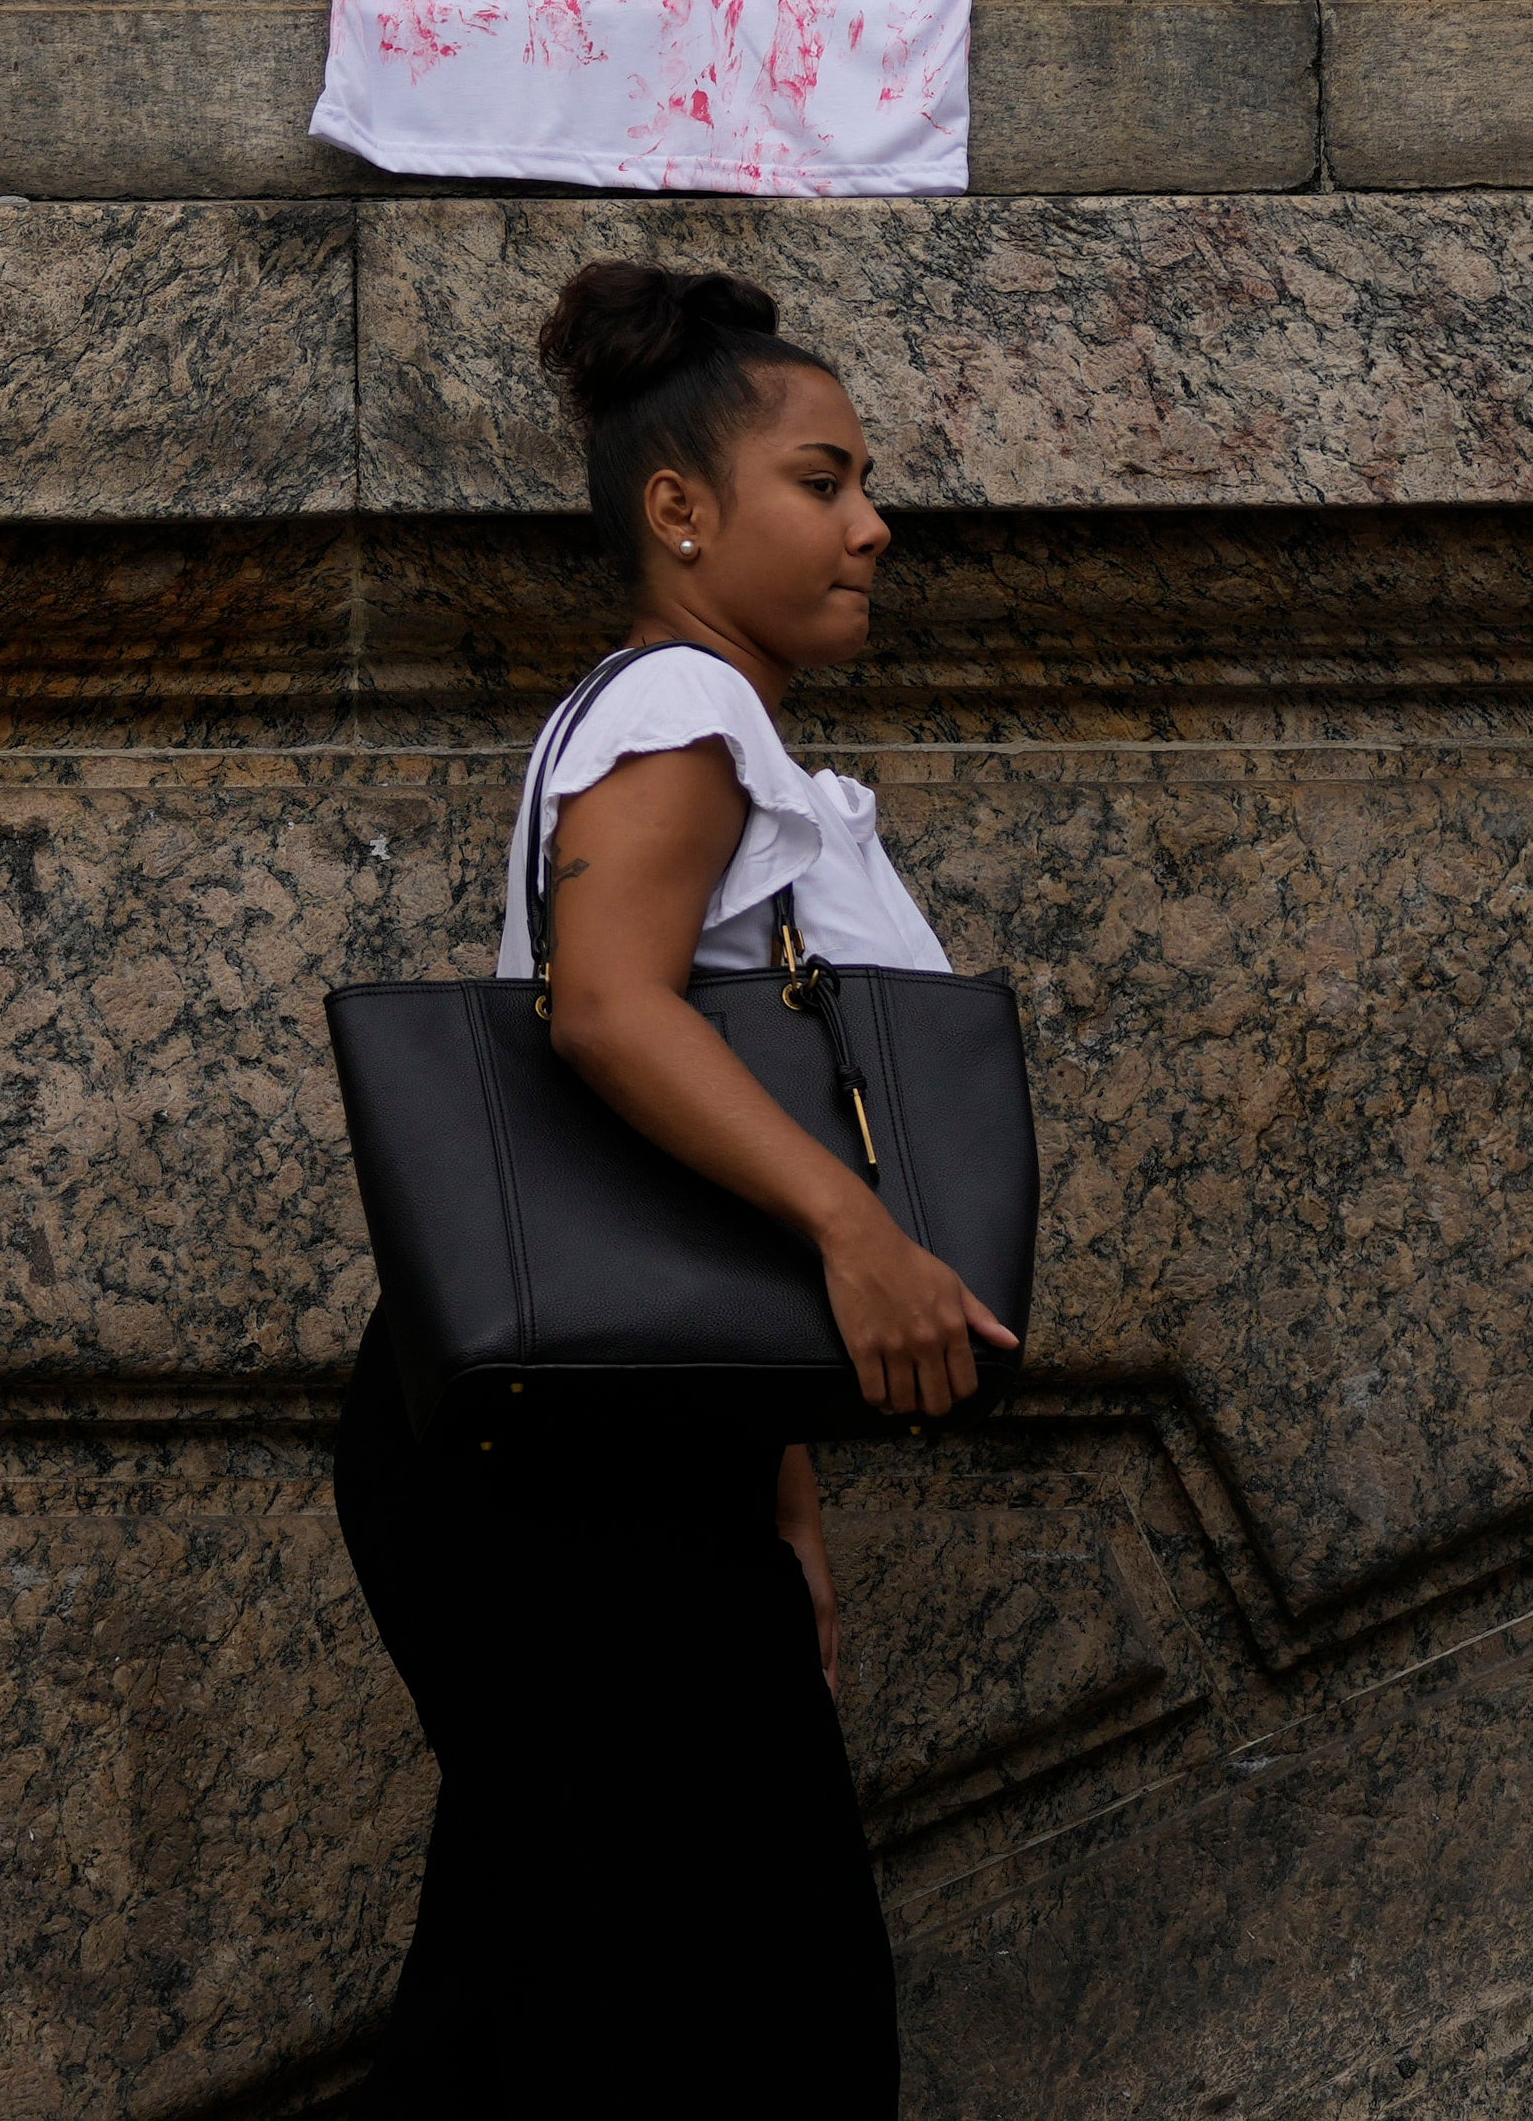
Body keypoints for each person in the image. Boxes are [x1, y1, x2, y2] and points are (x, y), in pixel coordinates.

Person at [333, 260, 1013, 2115]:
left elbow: (659, 1180)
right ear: (681, 509)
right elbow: (616, 1018)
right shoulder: (684, 714)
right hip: (570, 1471)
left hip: (593, 1443)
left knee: (559, 1977)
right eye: (826, 478)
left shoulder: (682, 718)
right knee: (749, 2002)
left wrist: (780, 1487)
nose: (874, 523)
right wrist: (860, 1229)